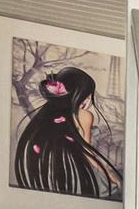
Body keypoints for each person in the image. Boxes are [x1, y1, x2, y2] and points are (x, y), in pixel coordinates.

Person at [11, 67, 122, 200]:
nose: (88, 100)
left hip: (53, 174)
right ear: (78, 94)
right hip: (77, 171)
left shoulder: (47, 115)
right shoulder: (85, 115)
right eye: (87, 95)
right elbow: (87, 152)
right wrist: (109, 174)